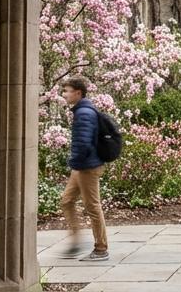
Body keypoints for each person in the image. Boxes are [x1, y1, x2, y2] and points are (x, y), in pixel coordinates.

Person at [59, 77, 109, 260]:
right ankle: (76, 242)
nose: (64, 94)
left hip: (87, 167)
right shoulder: (82, 111)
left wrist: (75, 161)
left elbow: (83, 143)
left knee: (93, 207)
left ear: (78, 93)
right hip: (81, 166)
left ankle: (101, 248)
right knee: (66, 201)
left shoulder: (84, 113)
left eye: (67, 91)